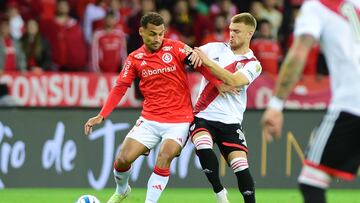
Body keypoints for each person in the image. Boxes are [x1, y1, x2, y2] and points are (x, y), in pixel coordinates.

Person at [84, 12, 235, 203]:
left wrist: (217, 82)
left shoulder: (176, 48)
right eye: (153, 34)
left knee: (164, 156)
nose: (158, 38)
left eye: (161, 34)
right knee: (122, 159)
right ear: (141, 32)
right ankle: (122, 190)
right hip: (149, 120)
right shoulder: (134, 58)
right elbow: (120, 88)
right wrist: (101, 115)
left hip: (179, 121)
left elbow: (200, 64)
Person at [261, 1, 360, 203]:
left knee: (311, 181)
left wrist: (276, 104)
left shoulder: (316, 6)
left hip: (352, 103)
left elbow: (298, 54)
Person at [190, 13, 260, 203]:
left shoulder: (253, 64)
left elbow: (235, 80)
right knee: (202, 145)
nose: (231, 34)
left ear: (249, 34)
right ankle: (219, 192)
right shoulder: (213, 48)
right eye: (230, 30)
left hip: (231, 121)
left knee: (240, 166)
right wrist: (197, 57)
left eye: (237, 31)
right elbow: (189, 55)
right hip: (204, 115)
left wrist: (208, 62)